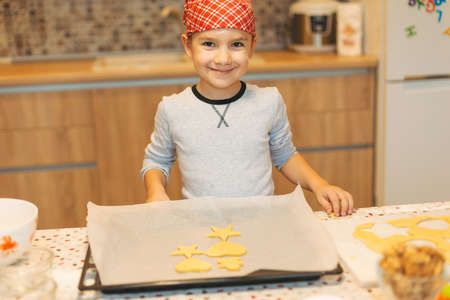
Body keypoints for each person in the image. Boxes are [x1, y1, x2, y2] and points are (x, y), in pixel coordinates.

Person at [141, 0, 353, 216]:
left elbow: (285, 155)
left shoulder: (269, 101)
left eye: (237, 44)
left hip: (261, 222)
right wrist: (156, 191)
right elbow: (157, 160)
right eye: (209, 44)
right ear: (188, 46)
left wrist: (320, 185)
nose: (223, 58)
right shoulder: (172, 108)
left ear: (252, 47)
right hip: (202, 226)